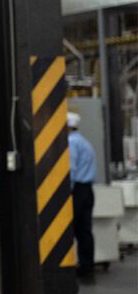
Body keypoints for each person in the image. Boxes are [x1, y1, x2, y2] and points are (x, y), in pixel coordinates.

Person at [67, 112, 97, 279]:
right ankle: (87, 264)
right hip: (88, 190)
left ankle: (66, 264)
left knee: (70, 229)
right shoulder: (84, 141)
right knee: (84, 229)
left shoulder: (71, 142)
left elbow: (70, 168)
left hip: (77, 190)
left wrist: (67, 192)